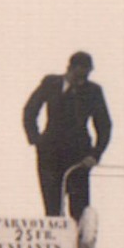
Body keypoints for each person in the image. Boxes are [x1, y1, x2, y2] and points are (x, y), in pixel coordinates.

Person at [23, 50, 113, 219]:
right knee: (52, 210)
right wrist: (36, 140)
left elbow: (105, 126)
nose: (81, 81)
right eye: (78, 76)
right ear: (70, 68)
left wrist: (95, 154)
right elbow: (30, 111)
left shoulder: (94, 91)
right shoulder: (50, 83)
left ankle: (77, 244)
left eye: (86, 76)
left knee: (79, 211)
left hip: (79, 156)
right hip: (49, 155)